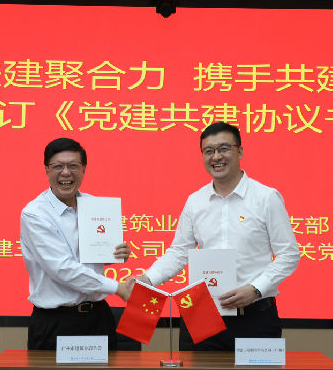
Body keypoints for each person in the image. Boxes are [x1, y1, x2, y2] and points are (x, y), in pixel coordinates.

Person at [139, 122, 299, 350]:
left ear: (239, 151)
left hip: (254, 316)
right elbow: (179, 252)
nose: (216, 157)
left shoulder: (266, 197)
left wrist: (255, 289)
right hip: (202, 313)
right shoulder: (195, 201)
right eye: (209, 151)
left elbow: (289, 255)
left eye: (224, 149)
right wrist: (148, 279)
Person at [20, 137, 132, 350]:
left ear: (83, 170)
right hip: (56, 321)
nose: (65, 173)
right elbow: (62, 269)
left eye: (72, 166)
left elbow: (89, 257)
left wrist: (116, 253)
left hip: (98, 318)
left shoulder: (94, 206)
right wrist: (117, 288)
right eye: (58, 166)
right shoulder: (35, 213)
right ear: (47, 170)